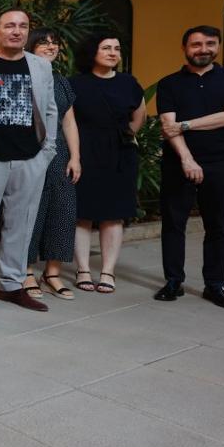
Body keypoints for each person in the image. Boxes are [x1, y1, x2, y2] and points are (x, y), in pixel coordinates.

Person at [0, 9, 57, 313]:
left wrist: (48, 150)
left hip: (31, 156)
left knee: (22, 223)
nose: (17, 31)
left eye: (23, 27)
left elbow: (51, 109)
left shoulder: (41, 66)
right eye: (9, 26)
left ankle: (12, 285)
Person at [153, 25, 224, 310]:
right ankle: (173, 281)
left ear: (217, 46)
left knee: (217, 226)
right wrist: (187, 159)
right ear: (185, 48)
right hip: (178, 161)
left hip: (219, 161)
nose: (203, 49)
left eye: (209, 43)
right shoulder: (169, 83)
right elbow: (168, 127)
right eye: (196, 44)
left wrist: (187, 123)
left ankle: (215, 285)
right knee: (173, 224)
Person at [69, 34, 146, 293]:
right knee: (82, 214)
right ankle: (82, 270)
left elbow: (139, 114)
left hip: (120, 152)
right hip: (85, 150)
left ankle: (107, 272)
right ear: (92, 51)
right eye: (106, 48)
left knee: (113, 215)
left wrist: (127, 135)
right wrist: (74, 156)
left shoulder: (128, 82)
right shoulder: (75, 83)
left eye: (117, 48)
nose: (113, 53)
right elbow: (68, 122)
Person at [23, 30, 81, 301]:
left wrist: (75, 157)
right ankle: (25, 272)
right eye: (43, 42)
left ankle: (53, 273)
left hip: (59, 154)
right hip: (27, 152)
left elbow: (69, 122)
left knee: (63, 209)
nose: (50, 46)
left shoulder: (61, 82)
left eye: (54, 42)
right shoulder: (21, 75)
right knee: (29, 213)